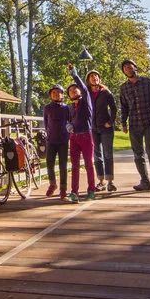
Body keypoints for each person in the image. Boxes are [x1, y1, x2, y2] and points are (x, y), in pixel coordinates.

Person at [119, 58, 150, 191]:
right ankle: (144, 181)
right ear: (123, 72)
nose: (128, 69)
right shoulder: (123, 87)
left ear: (135, 68)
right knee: (138, 155)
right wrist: (123, 123)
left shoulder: (146, 82)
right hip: (134, 124)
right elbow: (124, 107)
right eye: (125, 68)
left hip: (148, 122)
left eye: (130, 66)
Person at [66, 64, 97, 203]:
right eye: (70, 91)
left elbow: (84, 88)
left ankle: (91, 190)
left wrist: (74, 74)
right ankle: (74, 192)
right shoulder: (71, 107)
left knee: (89, 164)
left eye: (74, 89)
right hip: (74, 138)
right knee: (74, 165)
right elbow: (68, 120)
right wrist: (68, 126)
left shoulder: (86, 101)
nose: (73, 91)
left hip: (86, 135)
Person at [87, 69, 118, 192]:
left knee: (107, 154)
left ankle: (110, 181)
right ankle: (100, 181)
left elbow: (114, 108)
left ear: (99, 79)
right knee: (97, 155)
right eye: (92, 76)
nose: (94, 78)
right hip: (93, 129)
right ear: (88, 80)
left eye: (96, 76)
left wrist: (110, 122)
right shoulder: (87, 93)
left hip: (105, 128)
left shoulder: (105, 92)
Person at [42, 83, 71, 200]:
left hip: (63, 140)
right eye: (54, 93)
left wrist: (68, 135)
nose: (57, 95)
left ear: (62, 95)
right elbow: (46, 123)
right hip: (51, 140)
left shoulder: (66, 108)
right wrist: (48, 134)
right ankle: (52, 184)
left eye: (59, 93)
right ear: (50, 96)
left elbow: (69, 121)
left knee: (63, 166)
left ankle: (63, 189)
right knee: (50, 163)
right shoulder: (47, 108)